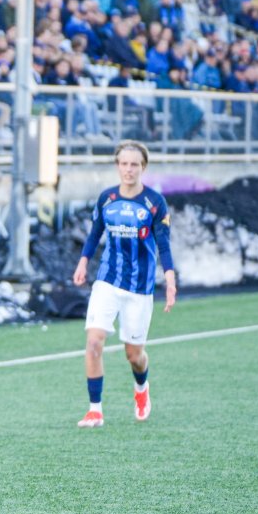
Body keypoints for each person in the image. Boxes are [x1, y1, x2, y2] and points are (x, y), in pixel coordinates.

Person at [72, 140, 176, 428]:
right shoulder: (107, 198)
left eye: (134, 164)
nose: (129, 169)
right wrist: (83, 261)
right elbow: (95, 233)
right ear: (117, 166)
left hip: (139, 287)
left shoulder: (154, 202)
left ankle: (141, 388)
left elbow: (164, 244)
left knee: (134, 354)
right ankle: (95, 410)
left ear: (143, 167)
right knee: (94, 341)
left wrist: (170, 280)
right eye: (124, 164)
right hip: (107, 280)